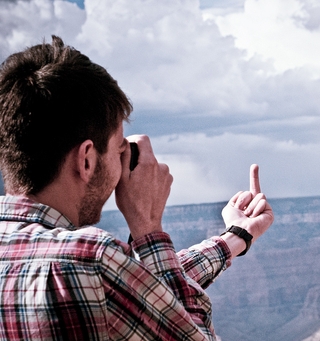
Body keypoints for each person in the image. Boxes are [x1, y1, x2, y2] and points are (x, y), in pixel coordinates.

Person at [0, 36, 274, 340]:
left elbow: (144, 289)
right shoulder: (90, 259)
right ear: (87, 160)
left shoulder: (78, 267)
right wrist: (147, 226)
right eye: (119, 150)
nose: (123, 164)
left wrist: (236, 236)